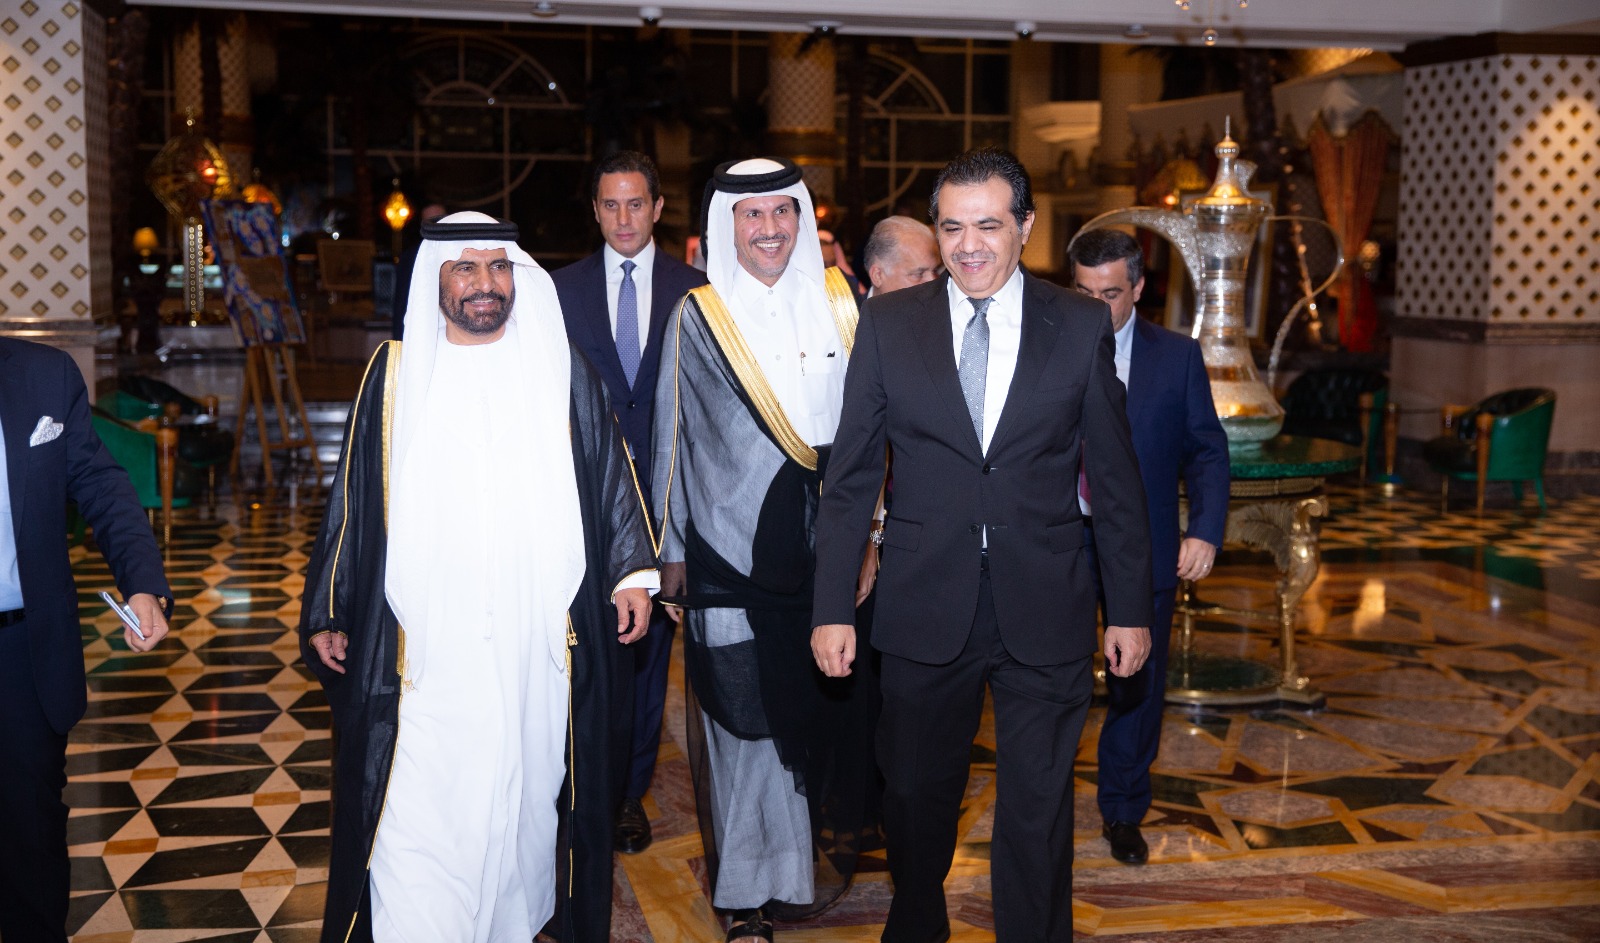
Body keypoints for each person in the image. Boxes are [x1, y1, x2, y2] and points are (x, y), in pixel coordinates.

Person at [810, 147, 1153, 943]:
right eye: (952, 227)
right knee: (913, 795)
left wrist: (1129, 608)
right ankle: (917, 921)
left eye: (989, 226)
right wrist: (831, 607)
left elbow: (1115, 477)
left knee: (1037, 807)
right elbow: (851, 477)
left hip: (1047, 599)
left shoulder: (1078, 324)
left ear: (1025, 227)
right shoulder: (889, 323)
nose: (969, 245)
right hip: (924, 600)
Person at [299, 213, 657, 943]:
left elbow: (609, 469)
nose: (484, 283)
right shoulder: (394, 376)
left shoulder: (556, 365)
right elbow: (353, 500)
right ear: (435, 279)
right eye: (465, 268)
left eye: (498, 266)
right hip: (423, 649)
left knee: (520, 805)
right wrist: (330, 605)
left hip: (531, 645)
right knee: (415, 808)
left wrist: (630, 570)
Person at [652, 157, 877, 943]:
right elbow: (671, 437)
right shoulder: (699, 315)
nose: (770, 228)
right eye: (752, 215)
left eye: (783, 211)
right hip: (728, 557)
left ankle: (793, 873)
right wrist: (669, 558)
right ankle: (746, 894)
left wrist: (871, 536)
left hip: (826, 554)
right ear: (727, 226)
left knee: (811, 716)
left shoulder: (842, 302)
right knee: (741, 719)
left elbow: (872, 435)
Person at [552, 150, 708, 855]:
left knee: (647, 658)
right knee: (583, 649)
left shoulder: (695, 290)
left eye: (636, 203)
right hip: (582, 502)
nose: (624, 217)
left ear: (658, 208)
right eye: (611, 204)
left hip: (666, 505)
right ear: (594, 210)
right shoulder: (558, 291)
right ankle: (576, 784)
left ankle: (626, 795)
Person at [0, 338, 172, 942]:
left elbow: (101, 484)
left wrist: (142, 583)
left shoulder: (44, 375)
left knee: (32, 841)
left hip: (22, 653)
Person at [1068, 228, 1230, 865]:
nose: (1095, 307)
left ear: (1137, 288)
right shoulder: (1046, 345)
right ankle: (1044, 807)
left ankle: (1123, 810)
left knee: (1136, 681)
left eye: (1109, 294)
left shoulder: (1177, 357)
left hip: (1145, 545)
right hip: (1060, 539)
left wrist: (1205, 529)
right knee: (1050, 678)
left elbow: (1207, 451)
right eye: (1083, 292)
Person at [861, 216, 940, 296]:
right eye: (919, 274)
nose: (933, 282)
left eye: (935, 271)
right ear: (878, 276)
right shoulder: (854, 303)